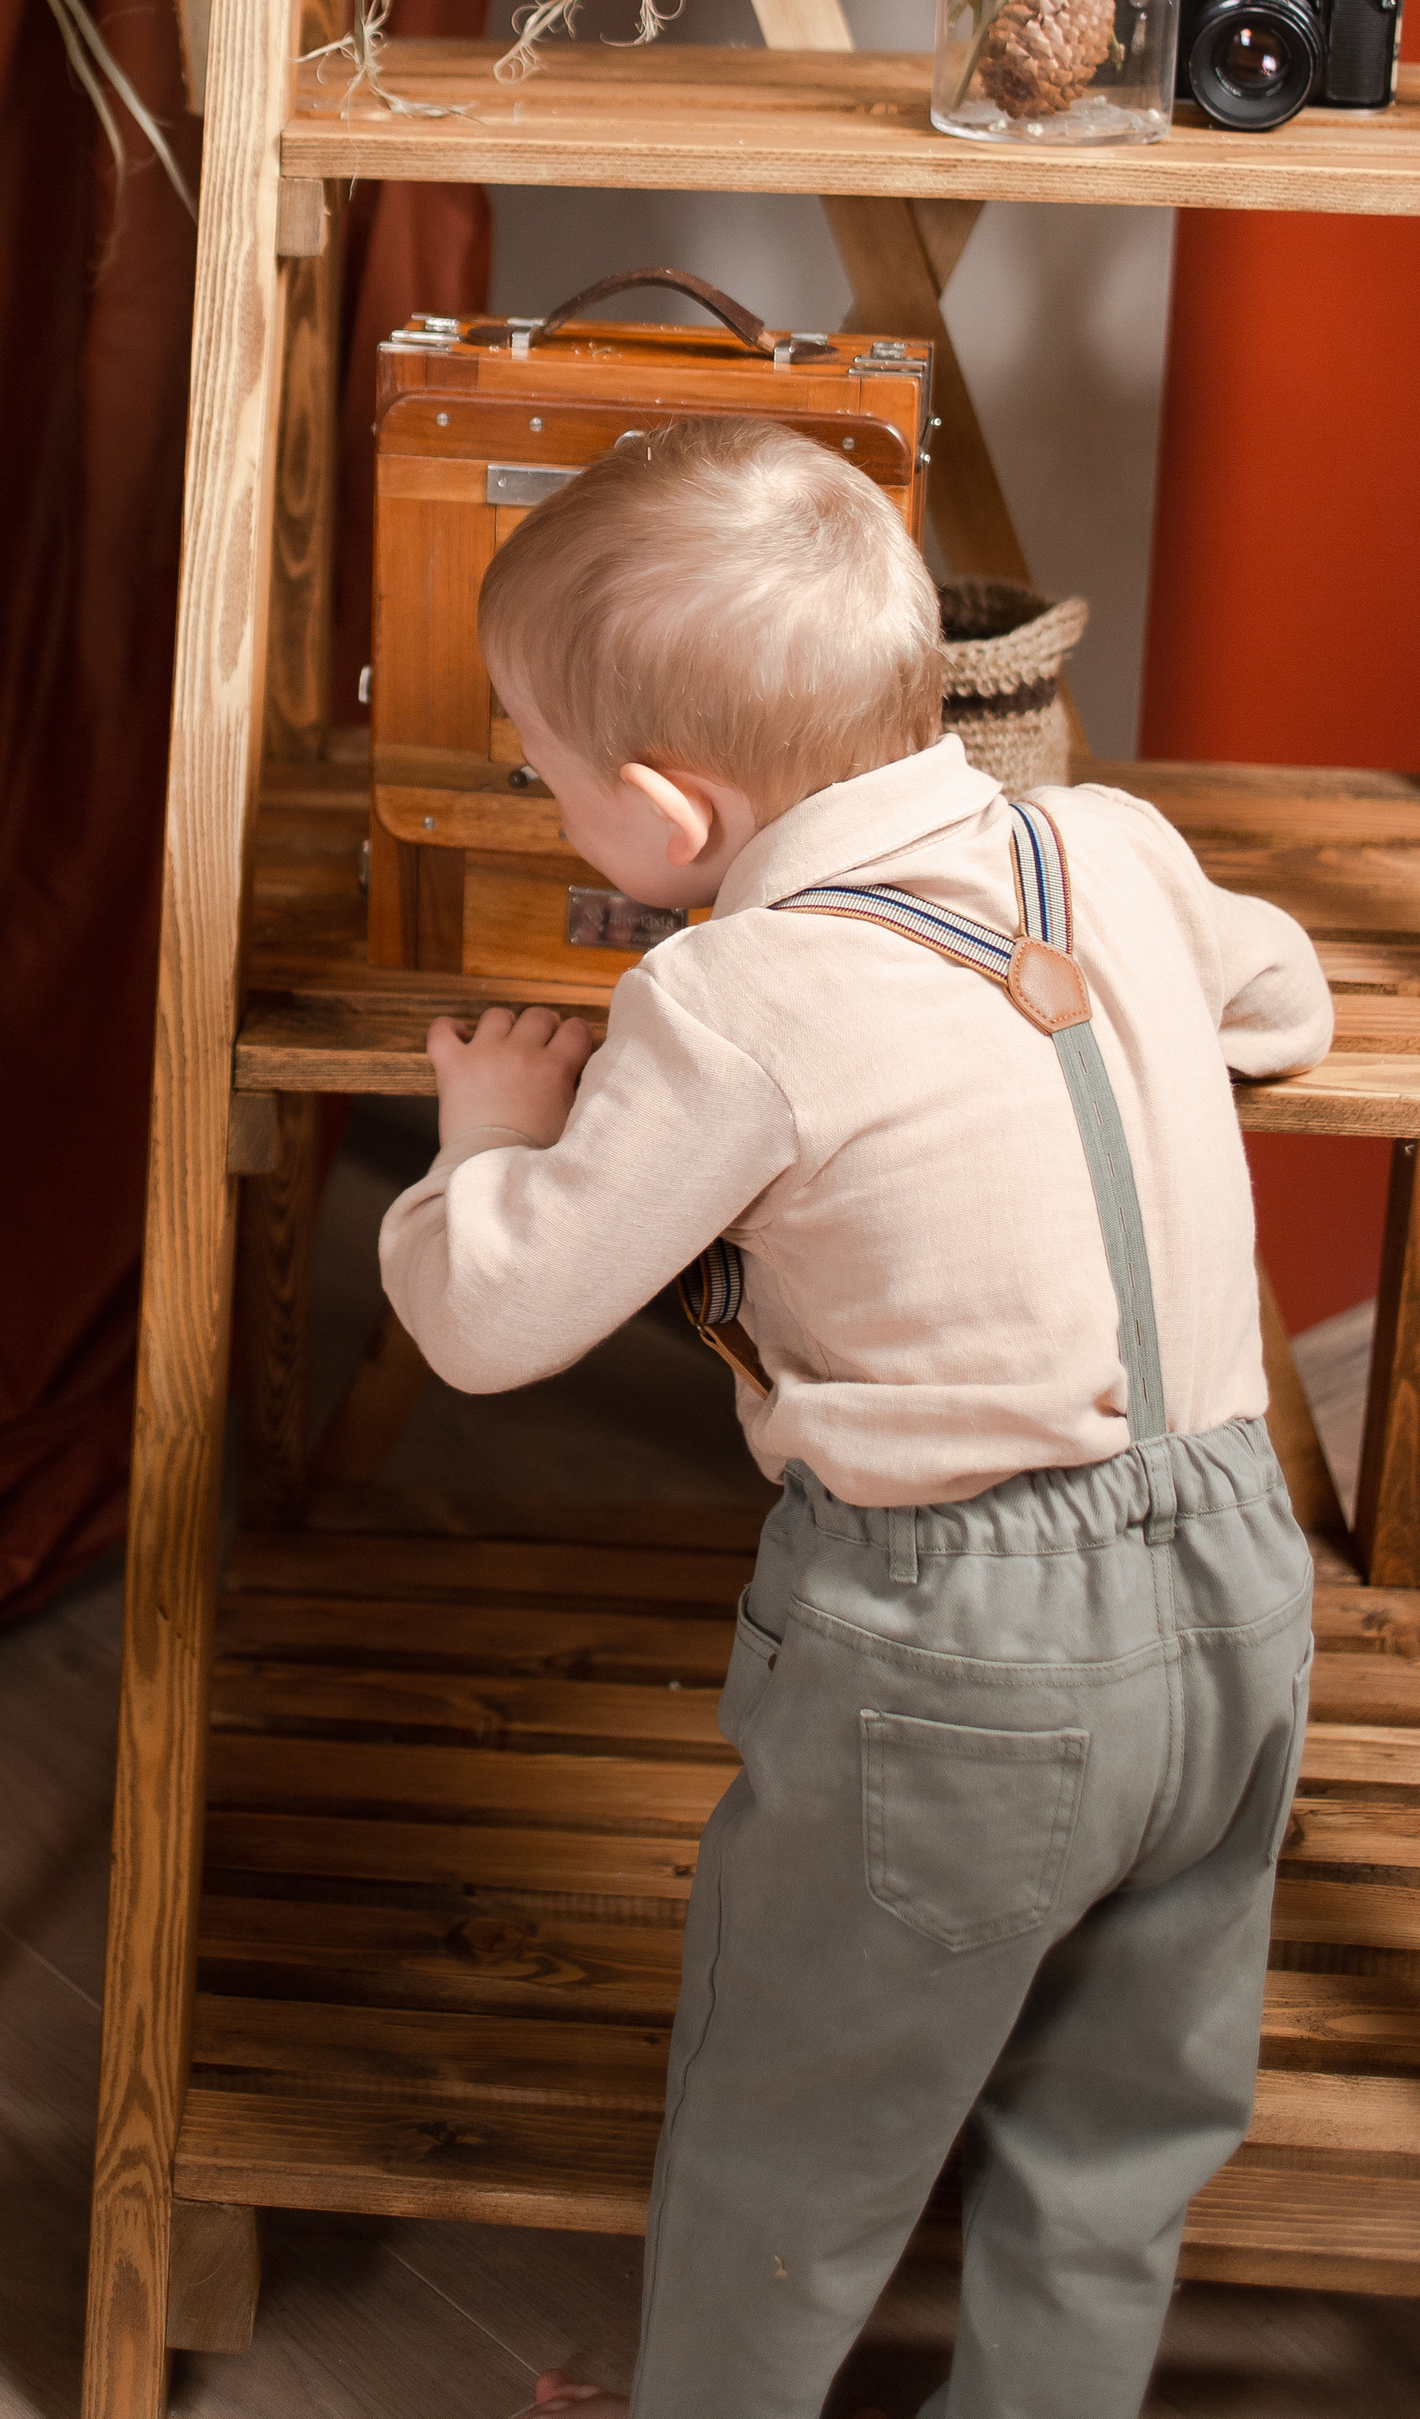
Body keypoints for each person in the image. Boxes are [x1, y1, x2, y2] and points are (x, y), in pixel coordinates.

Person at [379, 418, 1331, 2419]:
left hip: (959, 1656)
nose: (537, 801)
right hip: (1237, 1589)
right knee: (1117, 2133)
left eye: (536, 771)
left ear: (657, 812)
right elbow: (1286, 1009)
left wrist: (480, 1140)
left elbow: (488, 1321)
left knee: (791, 2137)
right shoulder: (1111, 846)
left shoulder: (729, 1008)